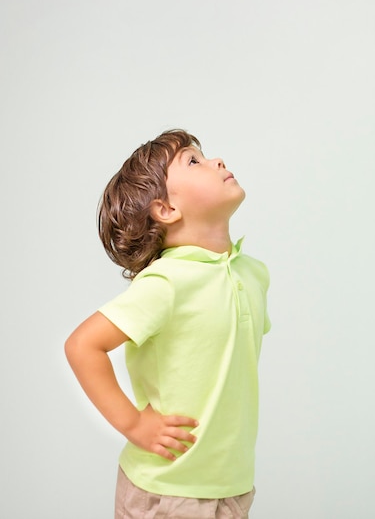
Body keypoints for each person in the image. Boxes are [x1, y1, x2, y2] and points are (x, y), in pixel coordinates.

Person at [65, 129, 271, 519]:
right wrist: (134, 424)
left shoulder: (253, 273)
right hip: (166, 491)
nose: (218, 161)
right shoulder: (167, 282)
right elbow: (82, 345)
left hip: (232, 485)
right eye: (194, 161)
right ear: (165, 210)